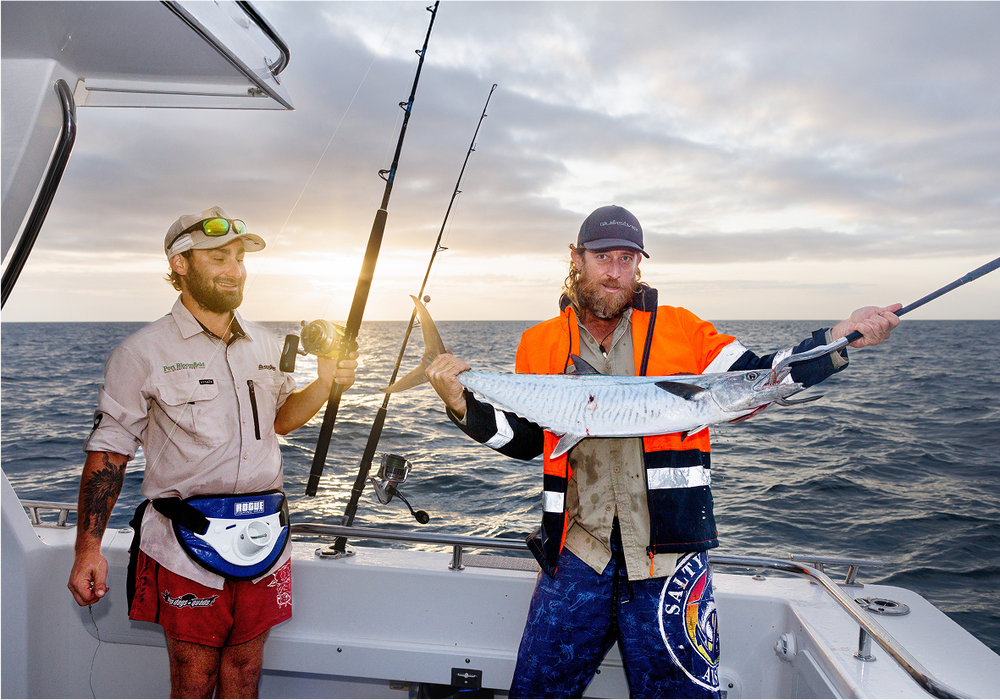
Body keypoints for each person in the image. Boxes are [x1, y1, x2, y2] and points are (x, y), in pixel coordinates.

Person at [424, 205, 899, 700]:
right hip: (575, 555)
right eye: (602, 256)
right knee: (536, 694)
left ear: (639, 265)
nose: (615, 270)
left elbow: (762, 373)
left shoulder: (684, 331)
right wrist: (462, 402)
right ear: (576, 258)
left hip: (672, 557)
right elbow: (525, 441)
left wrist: (836, 338)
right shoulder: (538, 342)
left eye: (627, 258)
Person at [67, 206, 358, 700]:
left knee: (245, 671)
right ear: (180, 265)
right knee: (194, 678)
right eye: (219, 257)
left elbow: (282, 419)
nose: (235, 270)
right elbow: (110, 453)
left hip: (264, 536)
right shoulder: (141, 353)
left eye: (240, 258)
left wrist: (326, 383)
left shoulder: (266, 343)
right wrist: (87, 549)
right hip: (185, 544)